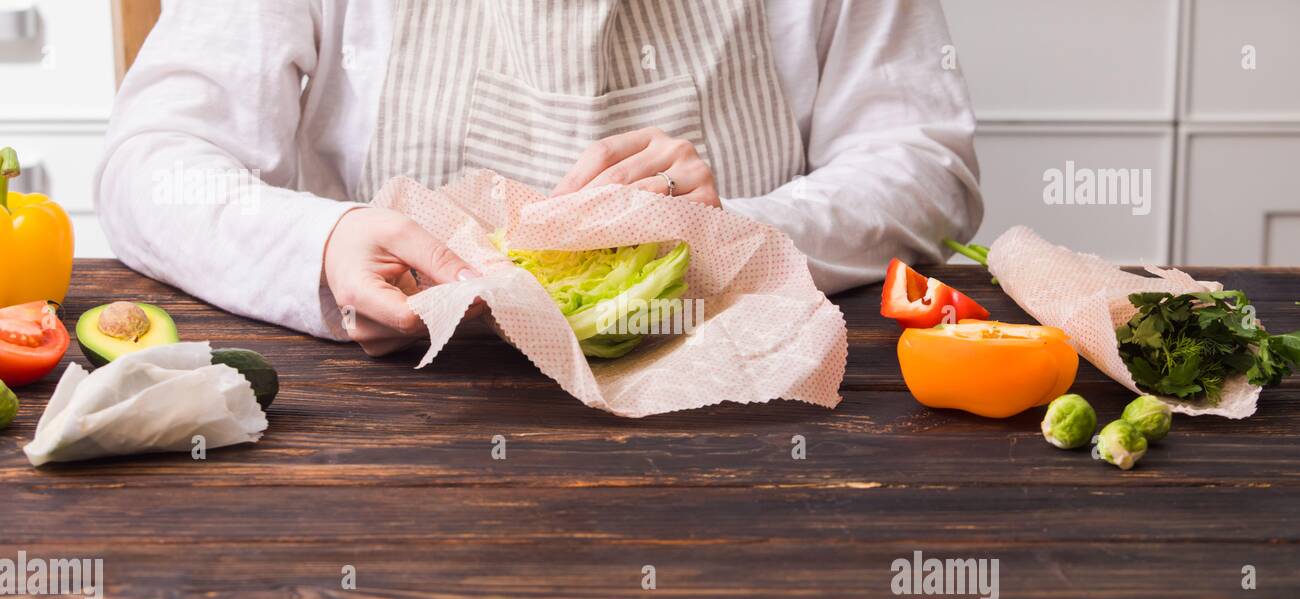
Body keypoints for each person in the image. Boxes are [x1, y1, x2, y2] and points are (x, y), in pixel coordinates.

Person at [95, 0, 982, 355]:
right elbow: (150, 165)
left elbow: (925, 166)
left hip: (733, 401)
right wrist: (321, 243)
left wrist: (737, 235)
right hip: (389, 427)